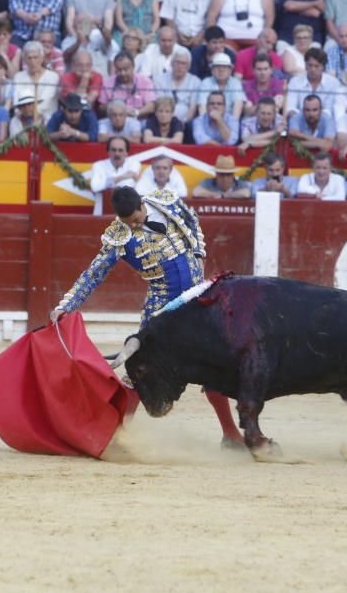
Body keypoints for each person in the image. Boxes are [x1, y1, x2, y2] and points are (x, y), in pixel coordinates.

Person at [51, 183, 245, 447]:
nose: (133, 226)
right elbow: (93, 273)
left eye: (136, 220)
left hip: (199, 298)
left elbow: (191, 219)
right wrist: (68, 304)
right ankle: (117, 436)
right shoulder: (119, 236)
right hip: (162, 305)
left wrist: (199, 252)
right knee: (138, 368)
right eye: (127, 223)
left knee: (214, 366)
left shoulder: (165, 201)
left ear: (142, 205)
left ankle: (232, 435)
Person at [90, 135, 142, 214]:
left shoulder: (134, 164)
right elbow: (95, 186)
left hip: (127, 215)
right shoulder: (98, 165)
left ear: (126, 153)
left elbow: (128, 185)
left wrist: (106, 182)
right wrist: (121, 178)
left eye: (120, 150)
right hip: (101, 213)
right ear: (108, 152)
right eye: (113, 150)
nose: (117, 154)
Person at [12, 40, 61, 121]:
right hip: (24, 117)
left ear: (42, 58)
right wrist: (22, 114)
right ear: (25, 60)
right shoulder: (18, 77)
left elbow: (45, 103)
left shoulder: (53, 77)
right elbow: (17, 101)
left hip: (46, 117)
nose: (32, 61)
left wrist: (31, 114)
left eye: (35, 57)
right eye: (29, 58)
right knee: (14, 121)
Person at [98, 51, 155, 118]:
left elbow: (151, 106)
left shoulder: (145, 81)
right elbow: (101, 108)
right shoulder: (108, 82)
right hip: (114, 120)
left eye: (126, 69)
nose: (123, 73)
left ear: (133, 67)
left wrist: (136, 112)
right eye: (119, 70)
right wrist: (112, 107)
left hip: (139, 119)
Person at [197, 52, 245, 118]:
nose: (221, 70)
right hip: (209, 119)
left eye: (224, 67)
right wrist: (206, 124)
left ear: (230, 71)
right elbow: (202, 105)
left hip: (229, 119)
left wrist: (233, 124)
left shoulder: (235, 83)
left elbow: (238, 105)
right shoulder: (206, 82)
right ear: (212, 70)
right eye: (217, 67)